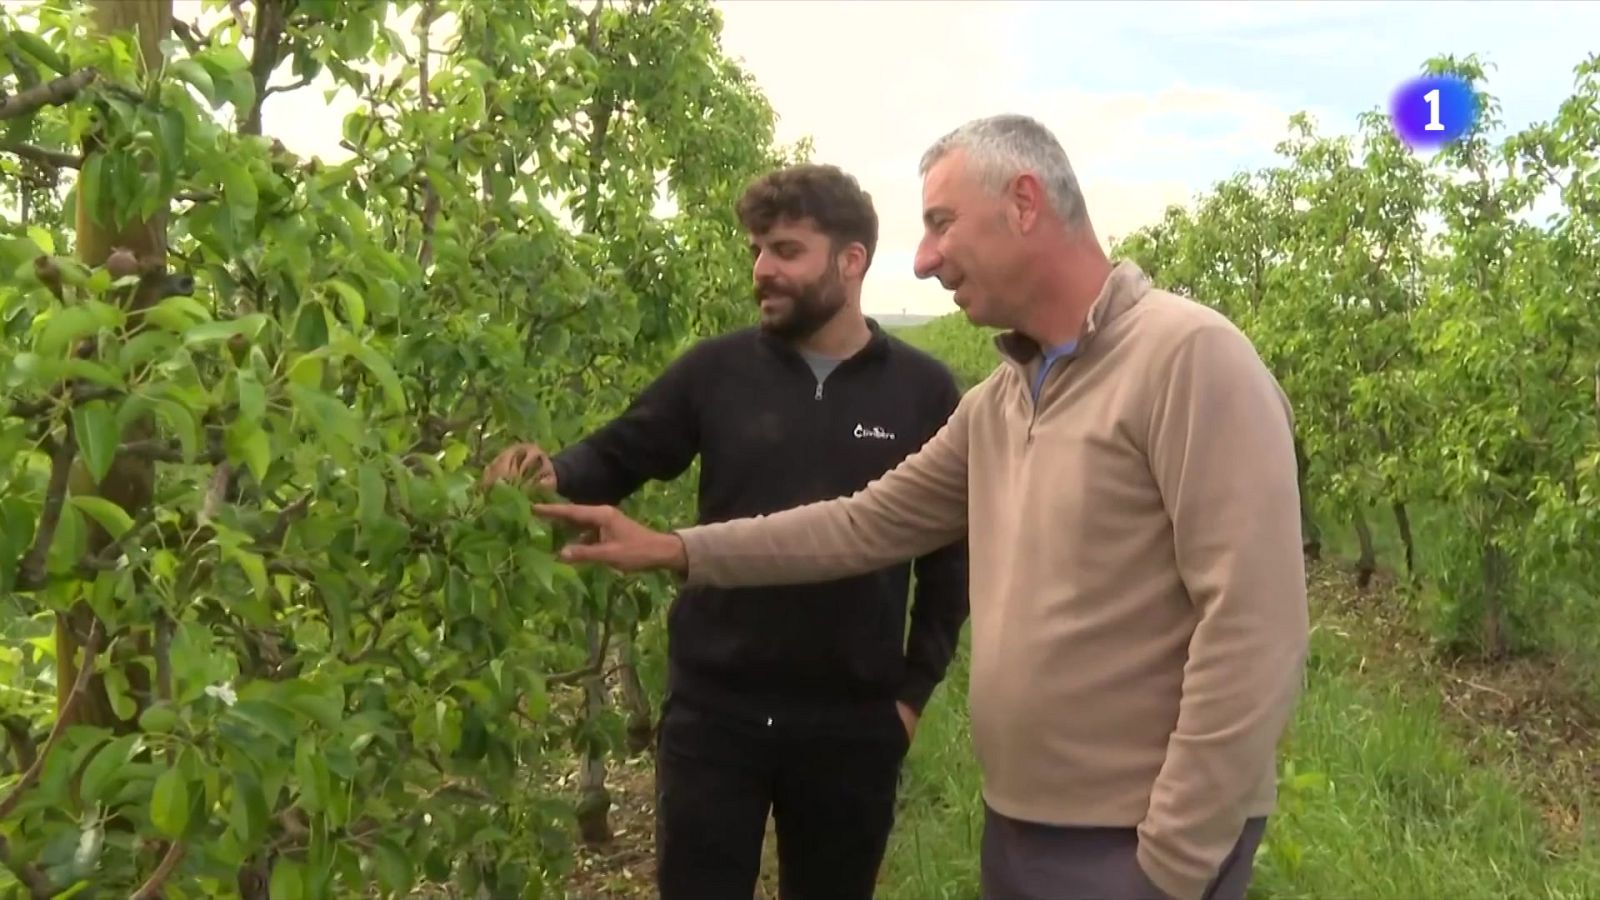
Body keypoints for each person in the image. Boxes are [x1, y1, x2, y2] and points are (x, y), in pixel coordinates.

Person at [527, 115, 1310, 900]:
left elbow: (1254, 623)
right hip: (1021, 825)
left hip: (1132, 843)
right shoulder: (1000, 401)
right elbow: (862, 523)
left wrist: (1172, 860)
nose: (926, 258)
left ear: (1025, 203)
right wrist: (675, 549)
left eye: (941, 223)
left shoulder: (1187, 358)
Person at [481, 163, 970, 900]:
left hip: (852, 722)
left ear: (852, 260)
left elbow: (948, 557)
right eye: (755, 251)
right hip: (716, 716)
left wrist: (909, 696)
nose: (762, 270)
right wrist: (548, 473)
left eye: (784, 251)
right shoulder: (716, 372)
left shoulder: (923, 390)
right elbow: (620, 453)